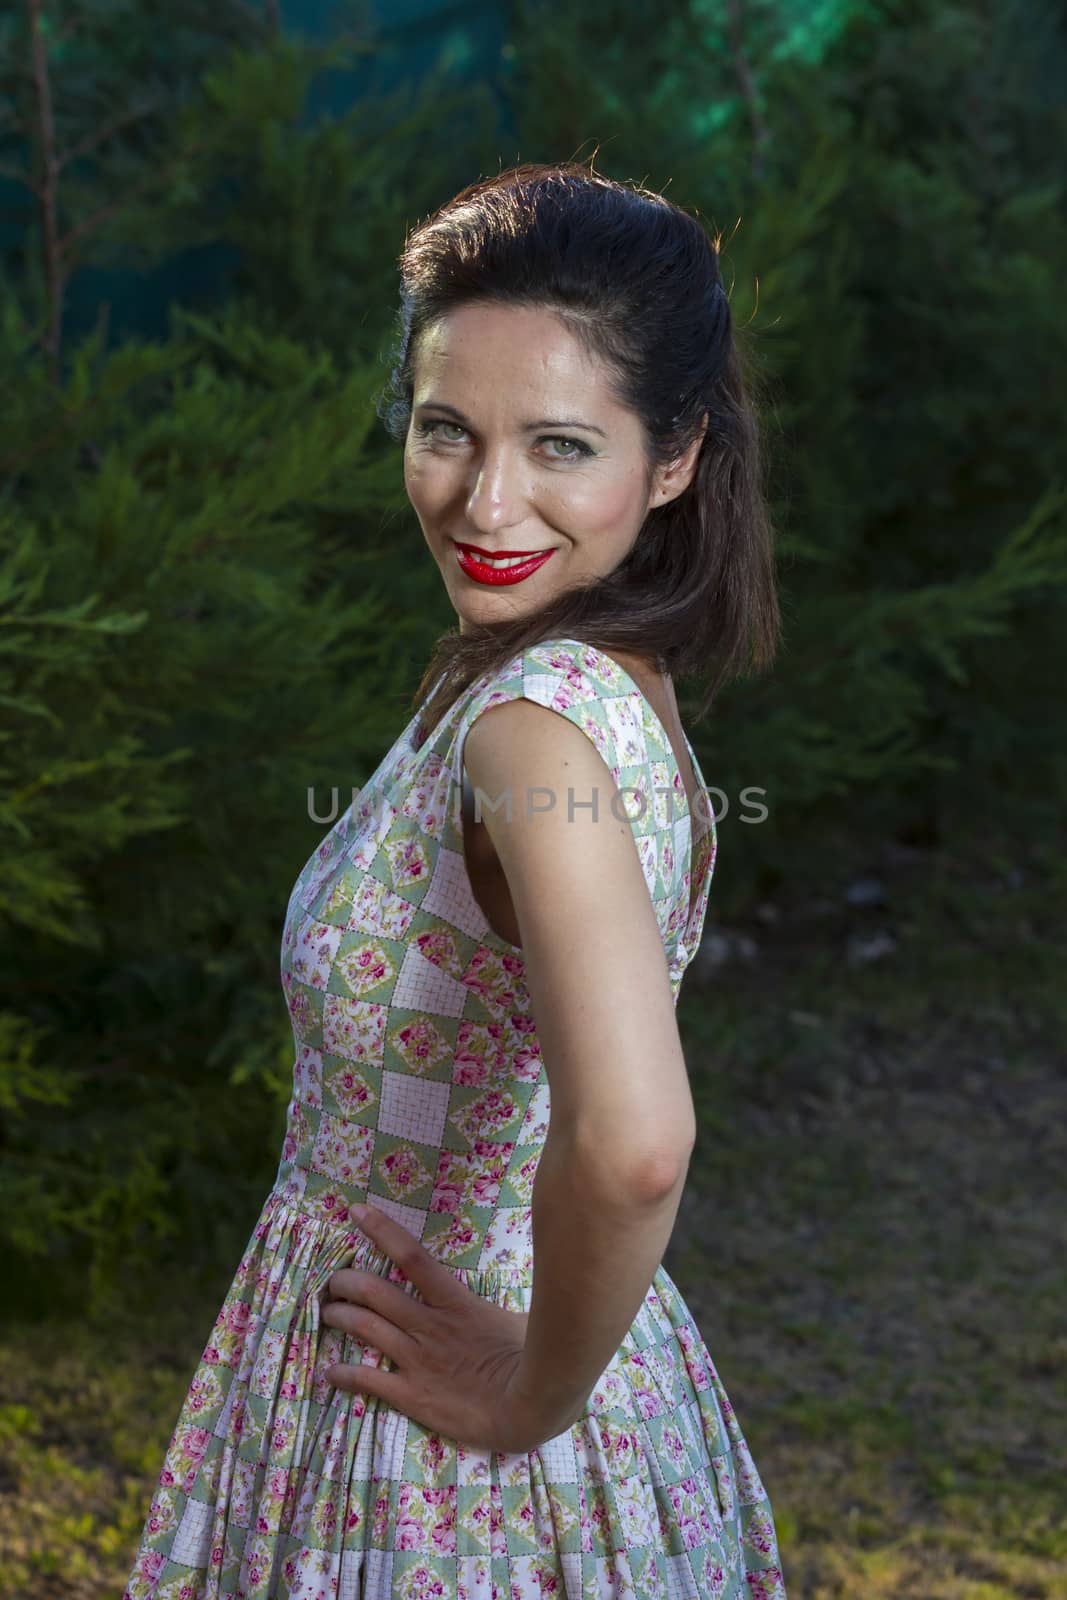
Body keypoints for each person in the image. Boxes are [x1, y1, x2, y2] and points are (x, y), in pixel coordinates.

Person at [124, 161, 786, 1600]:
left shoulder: (533, 723)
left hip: (439, 1436)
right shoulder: (602, 675)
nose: (486, 500)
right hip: (533, 1365)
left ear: (672, 457)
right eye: (445, 431)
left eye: (560, 445)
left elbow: (633, 1144)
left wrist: (528, 1393)